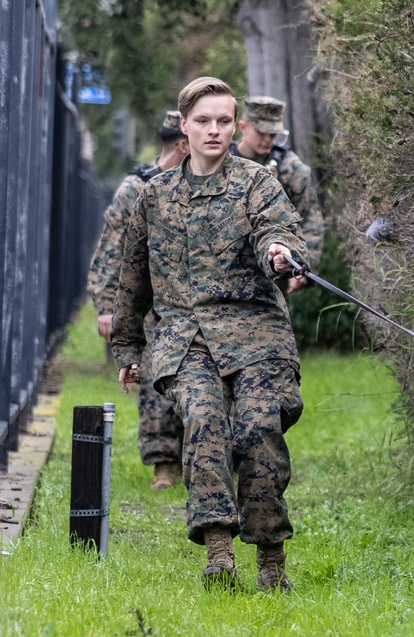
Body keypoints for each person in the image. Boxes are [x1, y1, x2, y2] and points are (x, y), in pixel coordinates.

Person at [110, 77, 308, 592]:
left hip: (257, 335)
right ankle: (219, 552)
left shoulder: (257, 183)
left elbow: (280, 229)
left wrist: (280, 252)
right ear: (184, 127)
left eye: (224, 121)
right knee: (202, 421)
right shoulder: (153, 196)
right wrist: (128, 348)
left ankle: (271, 562)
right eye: (203, 121)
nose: (214, 130)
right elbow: (133, 278)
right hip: (185, 339)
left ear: (237, 126)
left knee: (259, 427)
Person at [87, 111, 191, 491]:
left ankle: (200, 459)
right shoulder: (137, 188)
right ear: (182, 144)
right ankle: (163, 462)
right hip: (148, 301)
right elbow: (111, 248)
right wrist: (105, 306)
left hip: (190, 299)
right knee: (151, 381)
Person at [230, 96, 325, 294]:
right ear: (243, 126)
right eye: (262, 132)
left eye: (274, 134)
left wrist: (302, 267)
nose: (268, 139)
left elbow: (310, 220)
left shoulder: (291, 169)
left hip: (274, 270)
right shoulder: (222, 162)